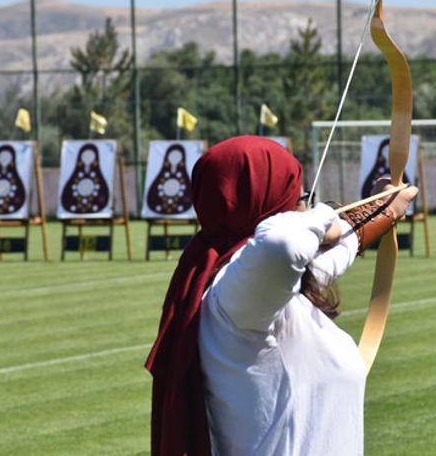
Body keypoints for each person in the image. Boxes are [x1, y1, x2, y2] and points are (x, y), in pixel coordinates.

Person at [145, 136, 418, 456]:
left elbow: (337, 250)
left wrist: (384, 208)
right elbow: (285, 243)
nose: (303, 203)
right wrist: (324, 218)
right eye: (299, 195)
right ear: (268, 203)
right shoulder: (239, 289)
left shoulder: (258, 285)